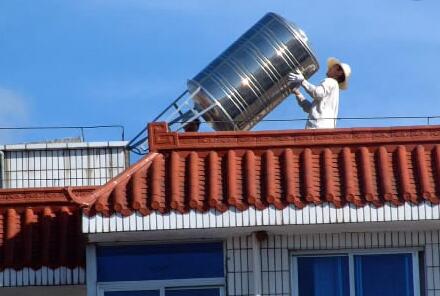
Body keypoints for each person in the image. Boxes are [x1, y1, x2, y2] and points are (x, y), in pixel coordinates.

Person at [289, 57, 351, 129]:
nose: (330, 68)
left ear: (339, 73)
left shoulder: (330, 81)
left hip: (317, 127)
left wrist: (302, 81)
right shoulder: (333, 89)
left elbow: (317, 93)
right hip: (324, 129)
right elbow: (311, 109)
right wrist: (298, 94)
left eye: (334, 67)